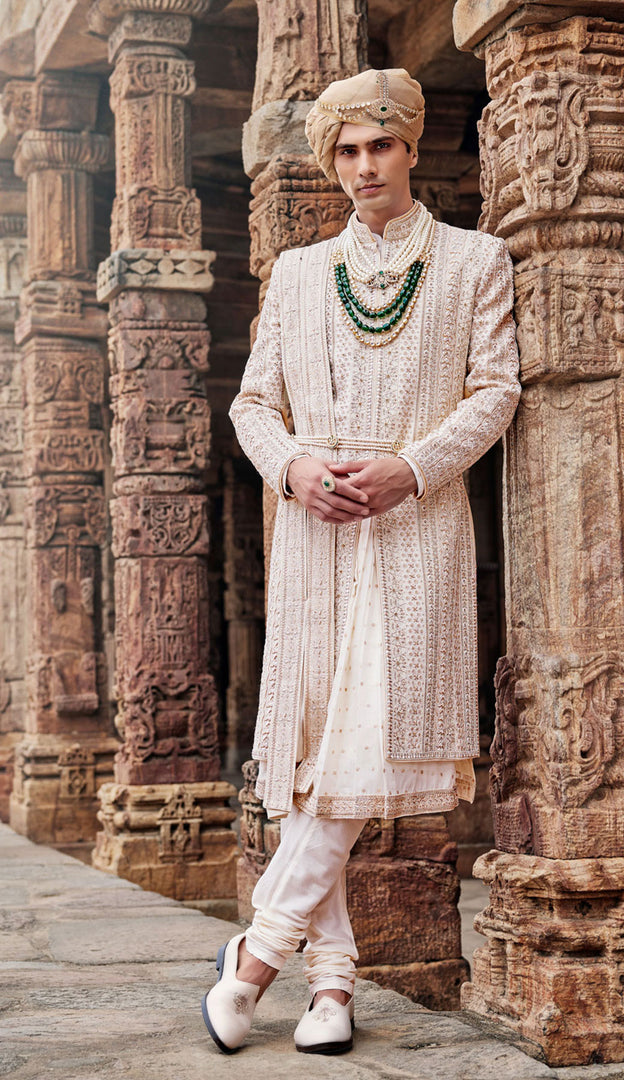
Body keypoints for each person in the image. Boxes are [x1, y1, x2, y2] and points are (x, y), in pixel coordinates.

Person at [201, 67, 521, 1056]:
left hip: (417, 538)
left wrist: (411, 469)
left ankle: (254, 959)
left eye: (378, 145)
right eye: (344, 150)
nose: (362, 166)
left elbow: (496, 391)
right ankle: (331, 990)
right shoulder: (299, 274)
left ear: (411, 145)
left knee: (364, 746)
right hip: (316, 542)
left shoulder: (476, 262)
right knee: (314, 768)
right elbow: (255, 405)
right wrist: (294, 469)